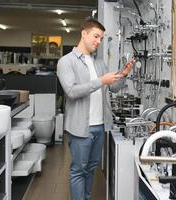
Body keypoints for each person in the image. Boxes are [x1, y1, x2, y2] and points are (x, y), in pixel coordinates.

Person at [57, 17, 134, 200]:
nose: (98, 41)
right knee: (78, 171)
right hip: (80, 128)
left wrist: (123, 75)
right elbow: (71, 91)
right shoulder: (66, 62)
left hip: (100, 126)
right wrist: (101, 80)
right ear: (84, 34)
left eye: (101, 38)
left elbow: (112, 88)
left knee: (91, 169)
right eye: (96, 36)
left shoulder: (99, 63)